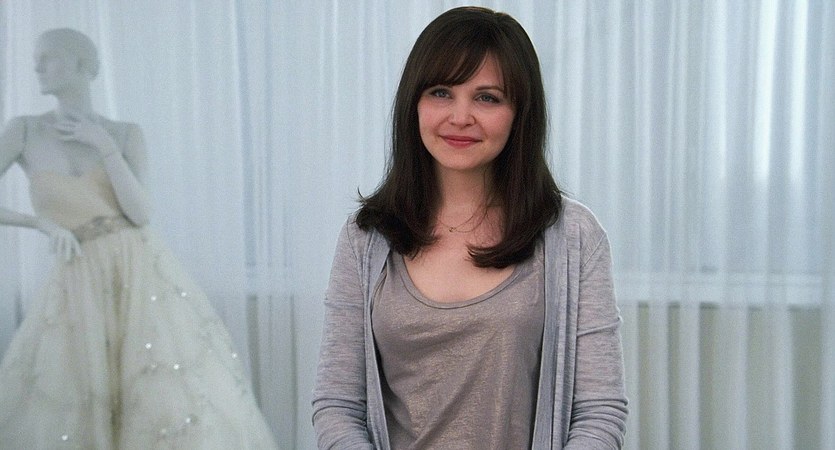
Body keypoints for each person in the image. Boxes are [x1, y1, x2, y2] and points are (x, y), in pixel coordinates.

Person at [312, 6, 628, 450]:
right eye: (441, 92)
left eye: (487, 98)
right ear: (414, 104)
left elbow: (599, 413)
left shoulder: (573, 236)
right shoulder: (365, 238)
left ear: (520, 113)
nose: (460, 117)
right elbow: (337, 406)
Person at [0, 28, 278, 449]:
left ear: (81, 64)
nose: (38, 67)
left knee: (157, 386)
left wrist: (105, 147)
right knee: (77, 386)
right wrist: (43, 224)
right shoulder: (24, 130)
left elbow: (141, 214)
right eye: (37, 59)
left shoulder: (124, 133)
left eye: (50, 57)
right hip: (76, 271)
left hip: (139, 270)